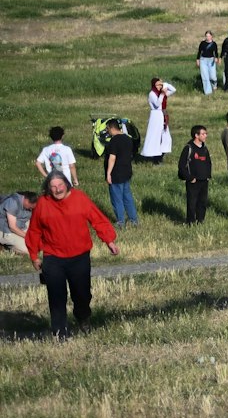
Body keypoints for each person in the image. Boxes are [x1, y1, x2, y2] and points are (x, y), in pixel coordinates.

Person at [24, 174, 119, 338]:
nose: (57, 189)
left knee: (82, 295)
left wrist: (109, 240)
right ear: (48, 188)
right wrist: (34, 255)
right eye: (53, 187)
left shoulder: (80, 198)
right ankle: (60, 333)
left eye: (60, 185)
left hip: (79, 256)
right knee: (56, 297)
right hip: (53, 257)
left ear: (67, 184)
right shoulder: (43, 203)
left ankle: (83, 318)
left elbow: (97, 219)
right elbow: (34, 230)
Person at [102, 118, 138, 225]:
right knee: (127, 197)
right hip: (126, 171)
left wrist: (108, 173)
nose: (107, 131)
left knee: (117, 199)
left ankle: (120, 221)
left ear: (112, 128)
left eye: (107, 129)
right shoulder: (127, 139)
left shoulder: (114, 141)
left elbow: (112, 158)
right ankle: (133, 220)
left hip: (116, 173)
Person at [178, 125, 212, 224]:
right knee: (192, 203)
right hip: (193, 181)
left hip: (204, 180)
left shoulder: (205, 149)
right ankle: (190, 222)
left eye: (206, 133)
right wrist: (190, 178)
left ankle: (200, 220)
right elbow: (182, 165)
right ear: (196, 135)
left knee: (203, 202)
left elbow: (208, 163)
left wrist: (208, 175)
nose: (205, 136)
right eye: (203, 134)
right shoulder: (188, 148)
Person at [142, 79, 175, 162]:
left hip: (162, 114)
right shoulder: (152, 94)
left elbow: (173, 90)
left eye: (160, 85)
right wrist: (162, 94)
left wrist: (165, 84)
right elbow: (157, 104)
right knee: (155, 135)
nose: (160, 86)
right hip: (156, 115)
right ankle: (153, 156)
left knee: (165, 136)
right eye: (158, 85)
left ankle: (160, 155)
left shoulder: (162, 92)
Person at [1, 190, 34, 256]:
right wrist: (28, 237)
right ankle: (7, 245)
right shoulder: (12, 203)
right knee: (28, 250)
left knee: (37, 245)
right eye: (31, 207)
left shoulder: (28, 205)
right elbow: (12, 227)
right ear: (26, 200)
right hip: (6, 230)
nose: (31, 209)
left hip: (21, 225)